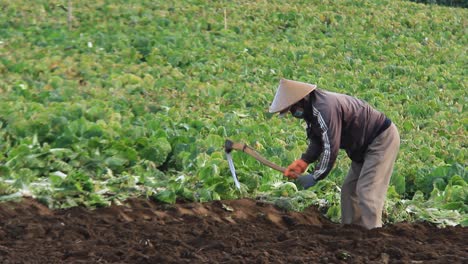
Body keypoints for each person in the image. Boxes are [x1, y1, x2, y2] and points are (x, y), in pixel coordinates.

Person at [269, 78, 400, 229]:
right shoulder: (311, 110)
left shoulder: (324, 108)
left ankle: (374, 235)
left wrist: (316, 176)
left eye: (292, 109)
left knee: (367, 191)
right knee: (349, 191)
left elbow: (330, 147)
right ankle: (352, 231)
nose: (293, 113)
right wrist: (304, 161)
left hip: (380, 139)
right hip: (361, 147)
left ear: (300, 101)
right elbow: (317, 139)